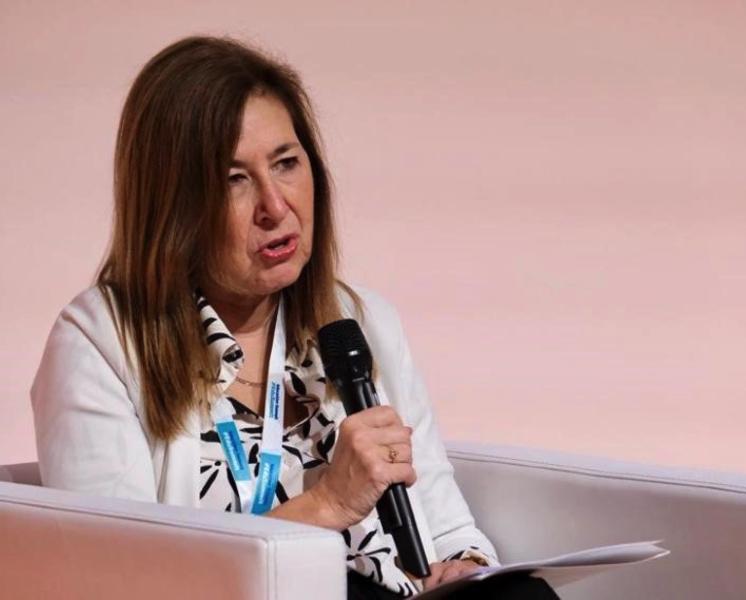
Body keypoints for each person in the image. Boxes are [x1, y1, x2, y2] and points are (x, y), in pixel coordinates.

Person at [30, 36, 559, 600]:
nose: (276, 206)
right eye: (234, 179)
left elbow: (448, 528)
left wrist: (464, 563)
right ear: (173, 205)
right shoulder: (101, 343)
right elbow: (117, 580)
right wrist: (326, 504)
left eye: (286, 163)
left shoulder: (358, 321)